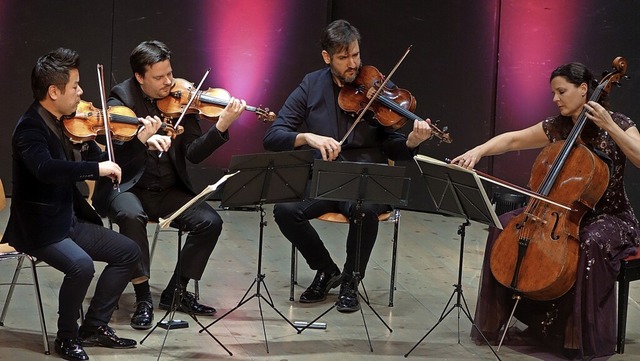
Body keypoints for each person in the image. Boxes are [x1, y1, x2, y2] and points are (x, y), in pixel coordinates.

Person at [451, 62, 640, 359]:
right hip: (558, 213)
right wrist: (478, 151)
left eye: (561, 91)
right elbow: (513, 139)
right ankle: (521, 319)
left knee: (588, 241)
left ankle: (574, 336)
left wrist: (611, 127)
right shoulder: (558, 126)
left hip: (609, 216)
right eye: (553, 92)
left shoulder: (619, 122)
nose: (555, 99)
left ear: (583, 90)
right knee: (502, 224)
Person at [262, 19, 432, 312]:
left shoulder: (378, 85)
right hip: (327, 176)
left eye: (355, 54)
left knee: (365, 210)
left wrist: (412, 142)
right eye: (343, 57)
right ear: (327, 57)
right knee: (285, 211)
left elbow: (393, 143)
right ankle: (327, 269)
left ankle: (352, 280)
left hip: (368, 177)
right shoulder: (311, 85)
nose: (353, 64)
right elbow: (274, 136)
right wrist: (308, 137)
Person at [1, 48, 160, 360]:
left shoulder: (68, 123)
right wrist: (95, 169)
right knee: (81, 266)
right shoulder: (30, 128)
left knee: (129, 252)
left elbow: (107, 163)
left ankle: (94, 327)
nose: (81, 92)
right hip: (39, 228)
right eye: (75, 86)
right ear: (53, 91)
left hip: (68, 220)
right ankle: (67, 336)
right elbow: (46, 170)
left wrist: (139, 142)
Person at [92, 40, 246, 330]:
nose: (168, 82)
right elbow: (112, 151)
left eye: (170, 74)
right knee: (130, 216)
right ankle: (142, 298)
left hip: (167, 190)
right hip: (128, 187)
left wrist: (221, 127)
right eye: (159, 77)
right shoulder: (120, 98)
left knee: (210, 221)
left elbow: (193, 153)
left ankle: (176, 290)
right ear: (140, 77)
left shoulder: (181, 98)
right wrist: (141, 139)